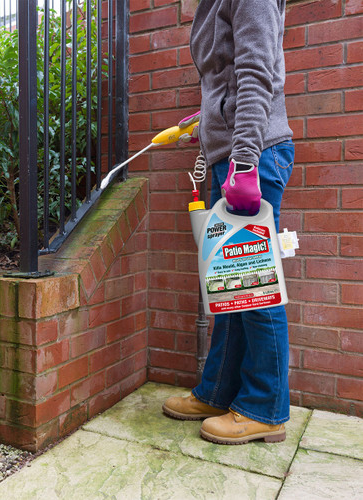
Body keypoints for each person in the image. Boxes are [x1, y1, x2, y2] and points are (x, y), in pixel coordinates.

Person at [162, 0, 295, 445]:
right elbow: (227, 80)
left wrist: (243, 161)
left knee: (254, 286)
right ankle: (218, 392)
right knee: (232, 286)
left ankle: (266, 408)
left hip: (252, 157)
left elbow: (258, 72)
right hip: (230, 156)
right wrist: (206, 121)